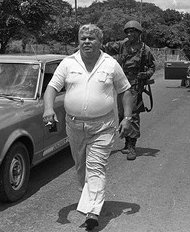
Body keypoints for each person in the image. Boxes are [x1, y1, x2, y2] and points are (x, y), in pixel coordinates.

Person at [43, 24, 133, 230]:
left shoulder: (111, 64)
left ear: (100, 42)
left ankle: (93, 212)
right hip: (74, 126)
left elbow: (126, 90)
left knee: (96, 167)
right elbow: (52, 87)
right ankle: (91, 198)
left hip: (103, 125)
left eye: (92, 38)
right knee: (81, 167)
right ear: (78, 41)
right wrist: (48, 109)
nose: (87, 42)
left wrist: (127, 117)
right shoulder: (68, 63)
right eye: (83, 38)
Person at [102, 20, 156, 160]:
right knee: (122, 114)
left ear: (139, 33)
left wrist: (146, 74)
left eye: (133, 32)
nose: (130, 34)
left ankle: (132, 146)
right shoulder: (121, 45)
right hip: (121, 84)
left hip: (134, 86)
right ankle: (127, 142)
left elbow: (151, 67)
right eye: (128, 32)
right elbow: (105, 47)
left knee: (132, 115)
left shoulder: (145, 49)